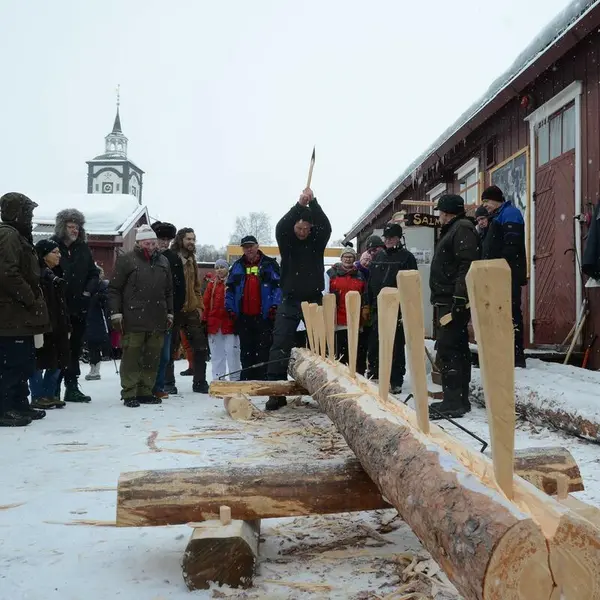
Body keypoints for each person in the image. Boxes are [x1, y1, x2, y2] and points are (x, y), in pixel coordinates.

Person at [266, 187, 332, 410]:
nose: (302, 232)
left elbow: (326, 226)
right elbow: (281, 226)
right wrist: (299, 205)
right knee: (280, 344)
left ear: (311, 228)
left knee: (320, 346)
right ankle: (276, 392)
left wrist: (314, 203)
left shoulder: (317, 242)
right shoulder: (287, 241)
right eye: (298, 228)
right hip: (290, 299)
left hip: (313, 299)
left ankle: (324, 391)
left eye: (305, 228)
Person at [108, 225, 174, 407]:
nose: (151, 247)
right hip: (133, 317)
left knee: (152, 357)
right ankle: (130, 392)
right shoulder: (127, 260)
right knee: (132, 357)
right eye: (147, 243)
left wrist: (170, 313)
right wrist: (116, 313)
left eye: (153, 243)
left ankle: (146, 391)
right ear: (138, 243)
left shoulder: (163, 261)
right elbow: (114, 289)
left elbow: (169, 291)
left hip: (157, 317)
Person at [0, 192, 50, 427]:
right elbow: (7, 273)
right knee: (11, 364)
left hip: (19, 315)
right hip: (10, 314)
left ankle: (19, 403)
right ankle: (5, 408)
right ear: (15, 213)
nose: (30, 218)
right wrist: (30, 298)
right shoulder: (8, 235)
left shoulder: (17, 235)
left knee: (23, 362)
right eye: (27, 213)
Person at [429, 194, 480, 419]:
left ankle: (453, 402)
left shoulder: (462, 229)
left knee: (450, 350)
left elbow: (466, 265)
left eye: (440, 212)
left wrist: (460, 298)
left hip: (452, 300)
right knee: (455, 349)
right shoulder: (456, 229)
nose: (439, 216)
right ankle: (458, 399)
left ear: (447, 212)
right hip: (447, 299)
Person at [50, 209, 99, 402]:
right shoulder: (51, 246)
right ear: (62, 227)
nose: (75, 230)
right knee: (56, 349)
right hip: (57, 307)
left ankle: (71, 386)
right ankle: (52, 388)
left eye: (77, 227)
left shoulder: (83, 248)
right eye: (71, 226)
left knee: (74, 348)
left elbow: (93, 273)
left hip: (79, 307)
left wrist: (87, 291)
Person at [367, 222, 417, 394]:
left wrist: (408, 308)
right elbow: (370, 282)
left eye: (392, 238)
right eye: (386, 238)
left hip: (398, 308)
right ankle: (375, 374)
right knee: (375, 343)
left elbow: (412, 284)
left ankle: (395, 379)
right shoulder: (378, 257)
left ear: (399, 238)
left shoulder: (407, 257)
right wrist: (368, 304)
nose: (388, 241)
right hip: (378, 306)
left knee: (396, 345)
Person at [481, 185, 528, 368]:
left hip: (508, 274)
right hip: (497, 274)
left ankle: (516, 354)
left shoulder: (510, 214)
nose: (484, 205)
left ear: (496, 200)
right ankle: (503, 351)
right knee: (499, 313)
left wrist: (499, 264)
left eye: (486, 201)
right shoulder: (496, 217)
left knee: (511, 312)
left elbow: (512, 245)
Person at [226, 236, 281, 380]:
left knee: (263, 350)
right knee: (246, 350)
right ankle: (247, 379)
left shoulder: (269, 264)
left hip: (264, 316)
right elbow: (230, 290)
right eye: (245, 247)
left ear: (257, 246)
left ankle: (263, 379)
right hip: (244, 317)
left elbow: (278, 287)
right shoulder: (237, 266)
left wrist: (274, 306)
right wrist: (230, 309)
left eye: (251, 246)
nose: (249, 249)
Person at [166, 228, 209, 393]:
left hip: (191, 310)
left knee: (200, 347)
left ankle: (200, 382)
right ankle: (168, 382)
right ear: (180, 240)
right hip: (175, 309)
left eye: (193, 239)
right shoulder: (171, 258)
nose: (191, 242)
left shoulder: (192, 260)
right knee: (171, 347)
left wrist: (199, 307)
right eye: (188, 239)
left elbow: (197, 287)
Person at [29, 239, 70, 410]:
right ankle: (38, 396)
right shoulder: (37, 275)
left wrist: (66, 324)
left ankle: (49, 393)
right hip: (42, 324)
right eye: (55, 252)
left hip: (58, 324)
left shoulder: (56, 274)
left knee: (58, 360)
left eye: (59, 252)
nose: (59, 255)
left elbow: (62, 303)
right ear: (44, 255)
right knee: (39, 361)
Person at [151, 221, 181, 398]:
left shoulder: (173, 259)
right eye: (161, 239)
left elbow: (179, 289)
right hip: (146, 311)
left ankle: (160, 384)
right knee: (148, 351)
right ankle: (145, 385)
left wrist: (174, 310)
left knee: (165, 354)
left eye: (168, 240)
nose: (164, 243)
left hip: (167, 311)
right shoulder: (146, 257)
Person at [327, 247, 367, 366]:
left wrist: (365, 307)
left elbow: (365, 293)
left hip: (355, 318)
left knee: (355, 351)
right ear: (341, 258)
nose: (348, 259)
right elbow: (326, 292)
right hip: (338, 318)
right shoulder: (331, 273)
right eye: (345, 256)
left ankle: (356, 372)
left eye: (350, 257)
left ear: (354, 259)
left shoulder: (360, 275)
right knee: (340, 351)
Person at [204, 259, 242, 381]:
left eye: (222, 267)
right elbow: (206, 303)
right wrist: (204, 320)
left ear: (227, 269)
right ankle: (218, 379)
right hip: (214, 325)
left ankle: (235, 380)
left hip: (229, 324)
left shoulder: (232, 282)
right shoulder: (211, 284)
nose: (219, 270)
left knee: (233, 353)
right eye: (217, 268)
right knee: (216, 354)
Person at [84, 266, 110, 381]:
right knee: (91, 344)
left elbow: (106, 300)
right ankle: (93, 368)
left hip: (98, 317)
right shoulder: (89, 285)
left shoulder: (102, 286)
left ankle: (96, 369)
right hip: (90, 317)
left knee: (95, 344)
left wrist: (99, 298)